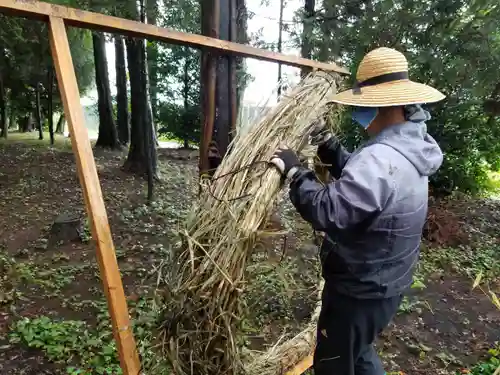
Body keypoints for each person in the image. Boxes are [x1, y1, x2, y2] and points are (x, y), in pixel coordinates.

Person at [270, 47, 445, 375]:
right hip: (387, 283)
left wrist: (296, 173)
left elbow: (329, 211)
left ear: (384, 105)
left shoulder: (380, 157)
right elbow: (371, 187)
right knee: (356, 351)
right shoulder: (410, 147)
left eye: (365, 105)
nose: (360, 114)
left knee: (334, 364)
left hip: (359, 290)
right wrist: (330, 147)